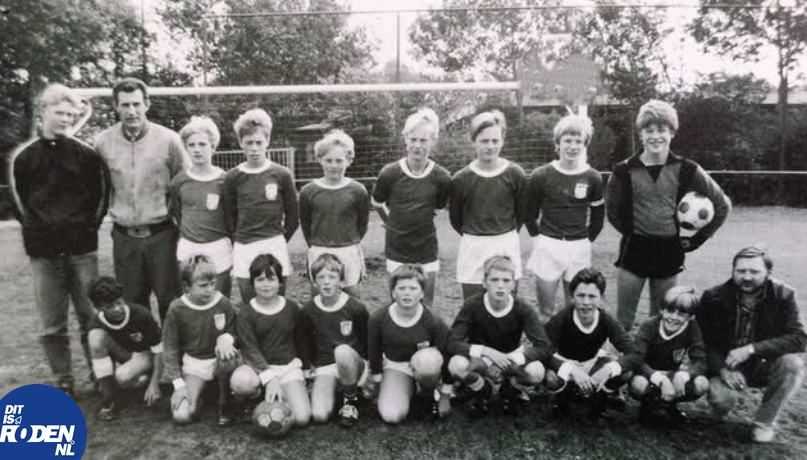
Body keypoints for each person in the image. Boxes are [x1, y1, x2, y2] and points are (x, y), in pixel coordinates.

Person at [9, 83, 110, 396]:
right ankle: (64, 380)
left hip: (82, 251)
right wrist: (43, 234)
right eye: (60, 112)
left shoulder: (87, 155)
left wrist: (84, 231)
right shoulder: (24, 158)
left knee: (91, 317)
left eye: (70, 114)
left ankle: (99, 375)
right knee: (52, 324)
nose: (66, 119)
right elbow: (20, 205)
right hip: (45, 254)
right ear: (44, 111)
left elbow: (100, 199)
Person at [607, 100, 731, 332]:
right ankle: (618, 357)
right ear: (641, 134)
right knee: (623, 321)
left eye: (661, 130)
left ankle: (653, 357)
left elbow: (722, 205)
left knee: (660, 321)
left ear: (672, 132)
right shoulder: (623, 170)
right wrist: (635, 232)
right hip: (633, 251)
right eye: (649, 130)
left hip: (669, 253)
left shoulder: (688, 169)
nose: (655, 136)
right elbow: (612, 212)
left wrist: (697, 239)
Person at [94, 77, 187, 322]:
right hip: (124, 238)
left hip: (162, 235)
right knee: (133, 304)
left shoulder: (169, 140)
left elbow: (185, 184)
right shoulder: (103, 142)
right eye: (125, 105)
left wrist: (184, 228)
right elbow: (98, 189)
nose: (131, 111)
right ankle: (144, 346)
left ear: (147, 104)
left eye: (136, 104)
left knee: (170, 301)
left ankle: (171, 346)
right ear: (116, 106)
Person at [697, 245, 806, 443]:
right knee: (722, 400)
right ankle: (721, 405)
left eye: (754, 271)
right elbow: (700, 340)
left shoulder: (784, 295)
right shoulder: (713, 297)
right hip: (726, 364)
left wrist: (751, 349)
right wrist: (722, 369)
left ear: (768, 272)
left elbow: (799, 338)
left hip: (762, 364)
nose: (746, 277)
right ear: (733, 271)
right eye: (741, 271)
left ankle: (764, 423)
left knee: (792, 364)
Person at [447, 256, 553, 420]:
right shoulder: (472, 304)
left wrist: (514, 358)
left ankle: (512, 388)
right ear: (484, 283)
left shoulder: (523, 308)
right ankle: (482, 389)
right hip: (481, 359)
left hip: (510, 359)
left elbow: (545, 346)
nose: (500, 285)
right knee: (456, 365)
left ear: (513, 284)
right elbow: (453, 342)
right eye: (494, 280)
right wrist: (487, 351)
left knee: (536, 372)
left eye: (506, 280)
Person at [523, 114, 604, 320]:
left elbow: (598, 219)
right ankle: (546, 341)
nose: (573, 146)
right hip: (548, 245)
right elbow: (528, 214)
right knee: (546, 312)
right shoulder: (541, 175)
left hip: (579, 248)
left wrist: (585, 240)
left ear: (584, 145)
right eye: (568, 140)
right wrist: (539, 240)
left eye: (578, 141)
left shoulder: (593, 177)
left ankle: (572, 341)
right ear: (558, 143)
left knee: (575, 308)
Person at [372, 108, 451, 306]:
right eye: (413, 139)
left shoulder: (442, 177)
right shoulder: (389, 173)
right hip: (397, 249)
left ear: (433, 140)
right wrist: (391, 222)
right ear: (405, 139)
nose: (417, 145)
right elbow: (377, 202)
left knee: (426, 304)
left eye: (423, 140)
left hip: (426, 249)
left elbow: (437, 208)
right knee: (398, 303)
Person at [222, 109, 298, 303]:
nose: (254, 148)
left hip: (274, 243)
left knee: (276, 302)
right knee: (250, 303)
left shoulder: (282, 174)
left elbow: (293, 216)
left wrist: (278, 239)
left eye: (258, 142)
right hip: (244, 246)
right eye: (249, 143)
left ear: (268, 140)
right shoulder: (232, 177)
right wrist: (241, 239)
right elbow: (229, 217)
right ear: (241, 143)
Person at [449, 110, 526, 300]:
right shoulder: (461, 179)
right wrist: (476, 234)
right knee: (473, 305)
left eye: (495, 141)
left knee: (506, 305)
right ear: (473, 141)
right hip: (473, 246)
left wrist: (503, 233)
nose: (490, 146)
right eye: (484, 141)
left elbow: (521, 214)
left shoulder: (515, 174)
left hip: (505, 243)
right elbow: (456, 220)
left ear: (502, 140)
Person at [230, 254, 311, 428]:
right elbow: (250, 349)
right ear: (252, 283)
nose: (266, 284)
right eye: (260, 279)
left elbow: (301, 341)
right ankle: (255, 397)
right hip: (258, 370)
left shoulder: (291, 308)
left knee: (302, 418)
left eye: (271, 278)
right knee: (240, 381)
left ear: (280, 282)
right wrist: (269, 378)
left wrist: (305, 371)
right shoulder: (246, 313)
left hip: (287, 368)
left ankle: (280, 398)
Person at [544, 268, 637, 417]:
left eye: (592, 296)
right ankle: (564, 394)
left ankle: (600, 394)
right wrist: (570, 370)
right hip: (566, 363)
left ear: (602, 298)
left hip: (591, 363)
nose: (586, 302)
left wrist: (607, 370)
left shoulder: (605, 320)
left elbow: (634, 352)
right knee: (551, 378)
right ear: (572, 297)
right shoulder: (562, 318)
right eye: (580, 295)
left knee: (625, 371)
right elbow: (541, 350)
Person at [367, 264, 452, 424]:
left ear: (422, 293)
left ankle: (428, 394)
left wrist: (446, 395)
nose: (407, 293)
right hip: (397, 366)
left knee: (427, 360)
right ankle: (408, 389)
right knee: (391, 416)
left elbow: (447, 354)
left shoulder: (433, 320)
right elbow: (374, 353)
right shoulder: (378, 318)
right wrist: (379, 386)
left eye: (413, 288)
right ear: (393, 292)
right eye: (401, 288)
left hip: (424, 365)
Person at [163, 255, 238, 426]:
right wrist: (178, 384)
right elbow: (169, 347)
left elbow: (235, 330)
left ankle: (225, 402)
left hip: (219, 361)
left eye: (212, 284)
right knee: (182, 416)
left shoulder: (222, 302)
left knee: (227, 356)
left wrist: (226, 338)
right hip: (195, 365)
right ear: (186, 286)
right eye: (203, 285)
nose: (209, 290)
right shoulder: (177, 308)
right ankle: (203, 394)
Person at [300, 254, 370, 427]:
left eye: (332, 277)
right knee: (319, 415)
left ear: (341, 281)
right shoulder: (308, 310)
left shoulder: (356, 307)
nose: (326, 282)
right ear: (314, 282)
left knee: (342, 351)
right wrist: (308, 369)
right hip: (326, 366)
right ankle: (339, 391)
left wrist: (369, 370)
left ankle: (351, 401)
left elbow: (367, 339)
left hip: (352, 362)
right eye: (321, 277)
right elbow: (305, 342)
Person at [299, 130, 369, 299]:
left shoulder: (357, 190)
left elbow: (362, 224)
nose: (333, 165)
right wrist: (317, 244)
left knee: (353, 298)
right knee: (318, 299)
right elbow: (306, 224)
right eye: (328, 160)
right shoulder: (308, 191)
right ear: (319, 159)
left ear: (349, 160)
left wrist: (348, 241)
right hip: (319, 250)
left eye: (339, 160)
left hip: (348, 250)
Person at [169, 116, 232, 298]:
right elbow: (178, 214)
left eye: (202, 144)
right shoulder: (179, 181)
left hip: (218, 247)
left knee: (218, 299)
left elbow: (230, 217)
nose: (197, 149)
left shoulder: (225, 180)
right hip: (189, 246)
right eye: (192, 145)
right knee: (191, 300)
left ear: (213, 146)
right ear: (186, 148)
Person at [628, 286, 709, 425]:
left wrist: (683, 376)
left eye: (681, 314)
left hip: (672, 375)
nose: (674, 317)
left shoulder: (692, 327)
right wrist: (660, 379)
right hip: (647, 374)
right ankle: (649, 405)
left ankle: (669, 405)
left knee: (702, 383)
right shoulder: (649, 325)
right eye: (670, 311)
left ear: (691, 316)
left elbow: (700, 362)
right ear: (662, 310)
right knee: (638, 384)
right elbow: (636, 359)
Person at [87, 276, 163, 420]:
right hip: (125, 355)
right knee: (95, 337)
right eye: (109, 306)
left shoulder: (141, 314)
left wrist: (155, 383)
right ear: (98, 308)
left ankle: (144, 377)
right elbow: (99, 350)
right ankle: (109, 397)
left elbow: (160, 350)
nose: (117, 309)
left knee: (123, 376)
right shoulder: (97, 321)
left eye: (119, 302)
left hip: (145, 355)